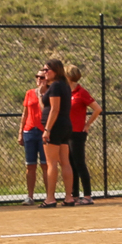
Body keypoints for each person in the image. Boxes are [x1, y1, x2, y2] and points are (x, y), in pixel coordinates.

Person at [38, 58, 75, 207]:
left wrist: (47, 130)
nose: (45, 73)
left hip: (56, 127)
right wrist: (41, 94)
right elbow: (47, 108)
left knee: (51, 163)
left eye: (47, 70)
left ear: (56, 71)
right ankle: (68, 197)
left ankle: (50, 198)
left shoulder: (55, 87)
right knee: (65, 162)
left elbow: (54, 109)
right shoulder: (64, 86)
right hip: (65, 126)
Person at [66, 63, 99, 204]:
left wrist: (87, 124)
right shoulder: (65, 92)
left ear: (69, 76)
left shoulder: (81, 92)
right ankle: (74, 195)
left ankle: (87, 196)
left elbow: (97, 109)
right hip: (66, 132)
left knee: (79, 164)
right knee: (70, 164)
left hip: (77, 133)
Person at [19, 69, 48, 205]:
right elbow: (25, 114)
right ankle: (30, 196)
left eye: (41, 77)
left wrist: (41, 95)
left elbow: (46, 111)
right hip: (30, 131)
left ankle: (49, 196)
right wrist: (20, 132)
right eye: (37, 77)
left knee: (45, 165)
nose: (38, 79)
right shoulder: (29, 93)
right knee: (30, 165)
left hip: (43, 132)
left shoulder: (49, 94)